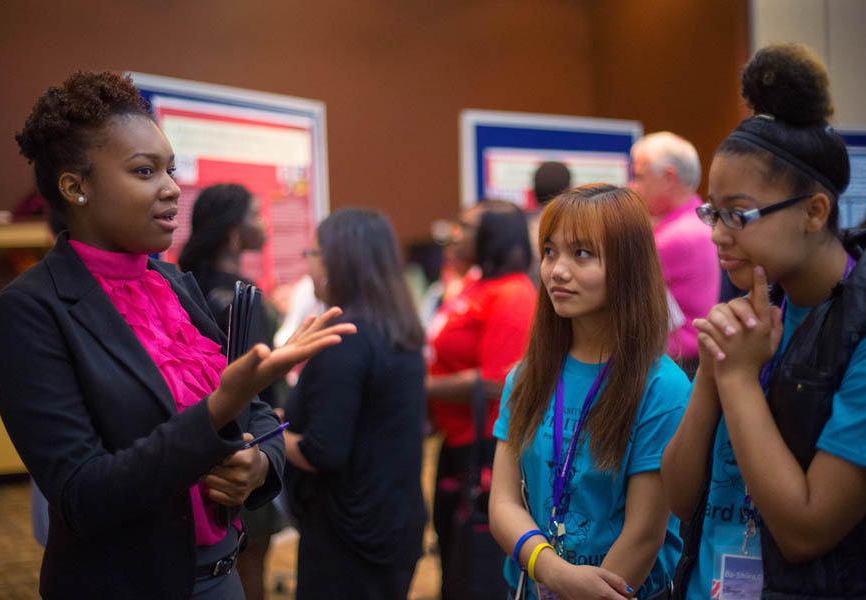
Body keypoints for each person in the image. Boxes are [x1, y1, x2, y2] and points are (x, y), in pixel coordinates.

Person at [0, 71, 355, 599]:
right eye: (144, 171)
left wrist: (259, 466)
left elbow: (255, 417)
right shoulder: (29, 312)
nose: (172, 188)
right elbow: (82, 495)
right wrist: (217, 410)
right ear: (76, 186)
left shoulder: (173, 284)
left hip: (224, 576)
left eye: (171, 169)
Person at [661, 43, 866, 599]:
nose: (716, 234)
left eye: (739, 213)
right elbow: (682, 499)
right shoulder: (754, 312)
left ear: (814, 212)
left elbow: (807, 528)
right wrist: (713, 373)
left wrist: (736, 380)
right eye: (712, 211)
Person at [489, 184, 689, 599]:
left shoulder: (662, 387)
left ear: (628, 266)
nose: (557, 270)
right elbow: (503, 504)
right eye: (549, 251)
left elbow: (644, 535)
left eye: (582, 254)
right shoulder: (527, 375)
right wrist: (554, 572)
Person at [282, 208, 427, 599]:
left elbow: (322, 451)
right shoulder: (400, 330)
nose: (309, 267)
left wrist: (270, 432)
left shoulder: (344, 338)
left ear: (337, 262)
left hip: (349, 535)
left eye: (312, 255)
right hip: (395, 520)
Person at [178, 183, 285, 600]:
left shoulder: (185, 288)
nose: (266, 226)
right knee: (251, 558)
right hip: (246, 443)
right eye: (257, 214)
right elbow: (258, 383)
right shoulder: (242, 300)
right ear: (234, 232)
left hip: (199, 442)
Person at [426, 200, 536, 598]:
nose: (456, 234)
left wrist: (417, 387)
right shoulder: (474, 284)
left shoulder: (512, 294)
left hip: (485, 444)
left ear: (495, 236)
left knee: (475, 566)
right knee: (452, 553)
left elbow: (495, 382)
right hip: (455, 439)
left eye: (467, 226)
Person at [630, 132, 720, 375]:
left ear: (668, 177)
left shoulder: (675, 238)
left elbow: (617, 284)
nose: (633, 187)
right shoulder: (694, 222)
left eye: (639, 176)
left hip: (677, 361)